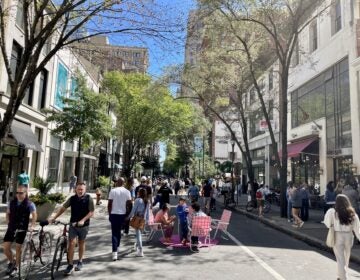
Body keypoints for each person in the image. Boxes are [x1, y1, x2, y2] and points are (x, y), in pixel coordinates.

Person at [49, 182, 94, 275]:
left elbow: (91, 212)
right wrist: (54, 217)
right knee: (72, 243)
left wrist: (83, 220)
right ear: (75, 189)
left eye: (82, 189)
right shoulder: (72, 199)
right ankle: (70, 264)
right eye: (79, 189)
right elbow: (63, 208)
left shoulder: (88, 198)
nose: (80, 191)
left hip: (84, 226)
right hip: (73, 225)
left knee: (81, 242)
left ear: (85, 190)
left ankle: (80, 261)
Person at [324, 194, 360, 280]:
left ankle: (343, 277)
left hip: (337, 235)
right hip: (349, 236)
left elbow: (327, 224)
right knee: (346, 257)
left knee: (340, 259)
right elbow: (357, 228)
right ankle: (341, 275)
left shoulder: (332, 212)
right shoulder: (352, 213)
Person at [3, 185, 37, 277]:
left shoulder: (30, 204)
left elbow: (34, 215)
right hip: (11, 227)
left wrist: (32, 226)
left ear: (25, 193)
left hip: (22, 228)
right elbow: (8, 213)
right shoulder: (12, 202)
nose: (18, 194)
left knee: (18, 248)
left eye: (21, 193)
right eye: (17, 192)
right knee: (6, 248)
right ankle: (12, 261)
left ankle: (16, 267)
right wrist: (8, 222)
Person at [107, 177, 131, 261]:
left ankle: (114, 252)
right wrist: (127, 215)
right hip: (122, 214)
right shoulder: (127, 192)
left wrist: (109, 214)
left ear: (117, 183)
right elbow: (129, 204)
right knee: (119, 232)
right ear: (123, 183)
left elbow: (109, 204)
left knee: (114, 233)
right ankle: (117, 247)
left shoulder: (113, 191)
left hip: (114, 214)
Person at [127, 188, 149, 257]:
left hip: (137, 218)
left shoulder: (138, 200)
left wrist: (128, 217)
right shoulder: (146, 201)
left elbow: (133, 210)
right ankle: (137, 246)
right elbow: (148, 212)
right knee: (139, 234)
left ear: (140, 193)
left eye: (138, 192)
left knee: (138, 234)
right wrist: (147, 220)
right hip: (143, 219)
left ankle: (140, 250)